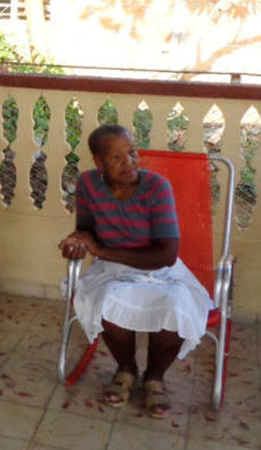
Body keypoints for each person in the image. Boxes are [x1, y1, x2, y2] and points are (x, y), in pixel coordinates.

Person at [59, 124, 212, 418]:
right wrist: (77, 241)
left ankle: (155, 377)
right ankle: (126, 369)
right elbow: (86, 230)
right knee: (106, 301)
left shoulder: (156, 187)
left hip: (161, 271)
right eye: (117, 158)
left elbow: (167, 255)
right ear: (99, 162)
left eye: (132, 153)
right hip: (113, 270)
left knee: (176, 306)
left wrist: (100, 250)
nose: (129, 163)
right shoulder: (89, 184)